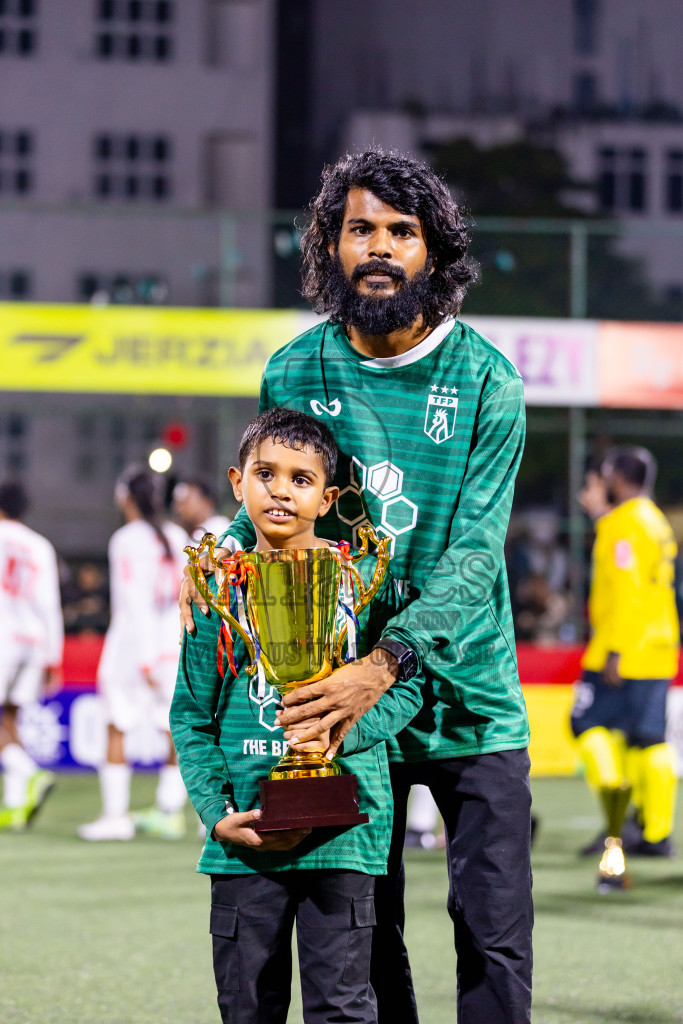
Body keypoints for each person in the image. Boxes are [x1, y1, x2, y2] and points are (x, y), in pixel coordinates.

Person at [182, 149, 532, 1024]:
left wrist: (389, 658)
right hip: (340, 704)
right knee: (365, 941)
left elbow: (477, 552)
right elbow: (273, 508)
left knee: (491, 932)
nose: (379, 248)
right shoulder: (295, 370)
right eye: (359, 229)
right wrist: (218, 566)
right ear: (329, 247)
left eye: (401, 233)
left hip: (464, 694)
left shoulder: (488, 380)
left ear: (433, 252)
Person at [171, 408, 423, 1024]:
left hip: (347, 834)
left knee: (342, 1009)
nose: (281, 489)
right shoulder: (215, 587)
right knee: (247, 1009)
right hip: (246, 838)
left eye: (300, 479)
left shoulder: (368, 576)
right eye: (265, 474)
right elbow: (191, 716)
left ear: (327, 497)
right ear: (238, 484)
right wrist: (216, 814)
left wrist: (343, 726)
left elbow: (410, 686)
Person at [572, 448, 679, 857]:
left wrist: (615, 649)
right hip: (658, 644)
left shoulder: (624, 524)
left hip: (623, 649)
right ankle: (654, 831)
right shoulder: (655, 521)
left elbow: (627, 591)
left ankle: (617, 827)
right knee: (646, 740)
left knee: (586, 724)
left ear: (617, 477)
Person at [78, 467, 189, 841]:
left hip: (132, 648)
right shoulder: (177, 536)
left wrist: (143, 658)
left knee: (116, 725)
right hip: (171, 646)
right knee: (172, 728)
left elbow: (133, 600)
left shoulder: (126, 538)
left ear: (126, 496)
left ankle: (115, 817)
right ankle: (170, 810)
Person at [0, 481, 63, 831]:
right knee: (10, 720)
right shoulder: (39, 545)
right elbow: (49, 603)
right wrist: (53, 656)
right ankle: (15, 806)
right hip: (32, 640)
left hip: (2, 635)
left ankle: (30, 772)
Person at [173, 476, 231, 544]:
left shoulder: (219, 528)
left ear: (206, 502)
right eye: (179, 503)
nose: (180, 508)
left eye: (187, 501)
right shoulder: (186, 534)